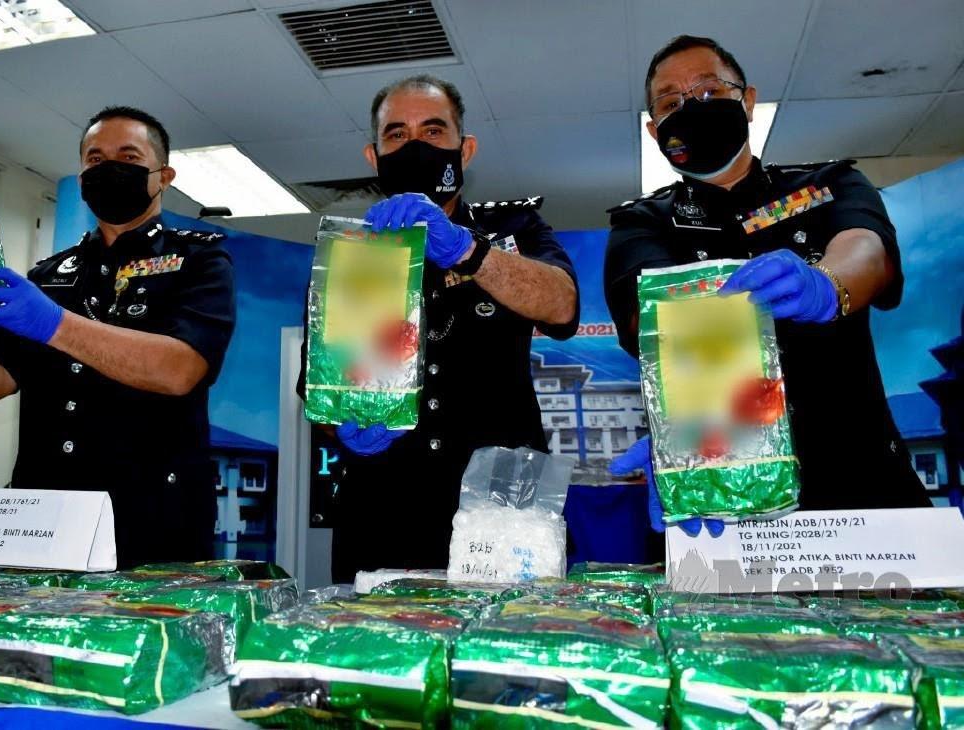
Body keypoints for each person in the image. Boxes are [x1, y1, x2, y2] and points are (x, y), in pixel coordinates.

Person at [605, 35, 931, 537]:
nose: (692, 108)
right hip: (728, 489)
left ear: (748, 101)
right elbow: (648, 319)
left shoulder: (828, 184)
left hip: (867, 485)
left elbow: (868, 251)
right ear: (654, 130)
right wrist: (680, 440)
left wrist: (826, 285)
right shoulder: (642, 222)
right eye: (670, 103)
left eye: (710, 91)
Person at [0, 107, 235, 567]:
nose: (109, 168)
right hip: (45, 518)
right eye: (95, 159)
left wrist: (54, 324)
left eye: (128, 157)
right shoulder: (49, 274)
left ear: (163, 176)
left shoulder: (199, 261)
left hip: (152, 520)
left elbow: (180, 370)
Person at [301, 75, 581, 582]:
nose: (415, 146)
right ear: (373, 156)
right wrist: (338, 425)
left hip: (502, 515)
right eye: (397, 135)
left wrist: (467, 251)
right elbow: (319, 388)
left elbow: (562, 307)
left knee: (510, 633)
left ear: (464, 149)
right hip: (383, 508)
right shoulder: (347, 256)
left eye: (433, 131)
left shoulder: (514, 229)